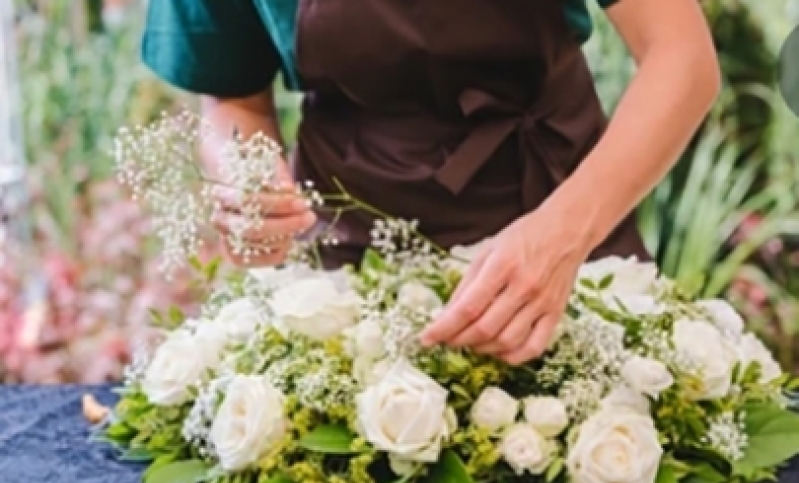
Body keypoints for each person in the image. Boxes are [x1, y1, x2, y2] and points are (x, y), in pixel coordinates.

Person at [142, 0, 719, 364]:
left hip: (564, 234)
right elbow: (232, 95)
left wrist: (563, 235)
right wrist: (249, 184)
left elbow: (681, 55)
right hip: (346, 263)